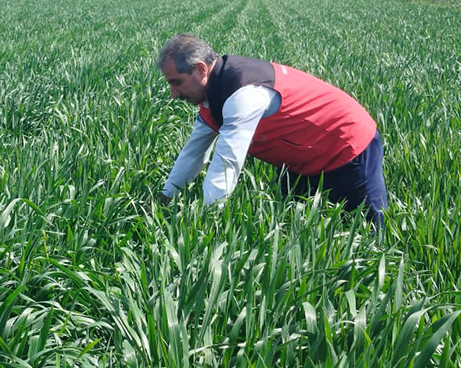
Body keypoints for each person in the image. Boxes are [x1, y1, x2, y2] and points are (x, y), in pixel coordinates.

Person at [157, 33, 388, 227]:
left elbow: (226, 164)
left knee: (365, 234)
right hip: (298, 156)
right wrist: (164, 198)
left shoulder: (243, 93)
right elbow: (193, 153)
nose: (173, 94)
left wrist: (205, 225)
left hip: (346, 145)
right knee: (293, 228)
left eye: (176, 82)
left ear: (200, 69)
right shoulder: (212, 96)